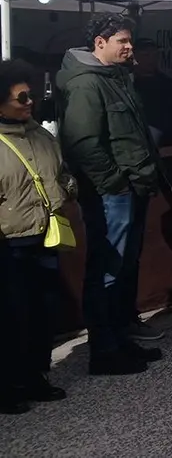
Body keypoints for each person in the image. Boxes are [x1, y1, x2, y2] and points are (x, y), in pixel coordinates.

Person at [57, 13, 164, 375]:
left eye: (129, 40)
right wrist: (114, 181)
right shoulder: (87, 84)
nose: (129, 46)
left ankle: (120, 339)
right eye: (122, 40)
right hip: (110, 193)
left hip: (129, 188)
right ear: (99, 43)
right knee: (107, 270)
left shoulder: (116, 78)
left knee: (123, 267)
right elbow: (82, 142)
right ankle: (104, 350)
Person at [0, 60, 73, 413]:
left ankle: (34, 376)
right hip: (9, 243)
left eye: (31, 94)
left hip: (44, 234)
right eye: (21, 96)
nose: (30, 102)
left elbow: (59, 171)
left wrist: (67, 188)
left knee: (42, 310)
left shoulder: (39, 133)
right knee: (11, 316)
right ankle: (8, 384)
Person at [131, 38, 172, 147]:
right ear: (135, 57)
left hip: (167, 148)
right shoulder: (127, 84)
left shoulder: (168, 84)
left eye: (154, 55)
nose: (151, 60)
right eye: (146, 55)